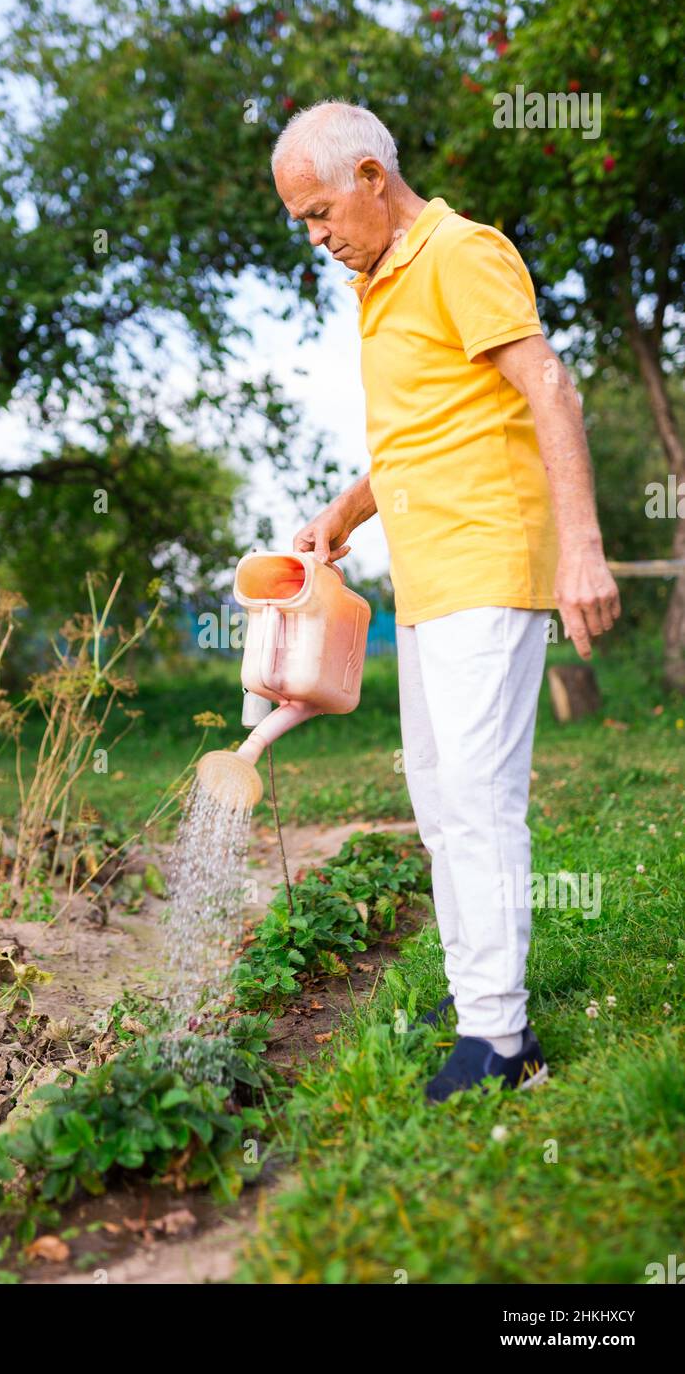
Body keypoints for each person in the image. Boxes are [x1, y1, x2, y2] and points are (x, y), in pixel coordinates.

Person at [271, 100, 620, 1103]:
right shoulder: (379, 284)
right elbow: (418, 435)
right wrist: (342, 516)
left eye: (319, 211)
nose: (317, 235)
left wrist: (582, 547)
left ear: (373, 178)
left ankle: (502, 1044)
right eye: (301, 220)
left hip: (487, 560)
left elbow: (548, 387)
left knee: (475, 800)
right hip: (423, 578)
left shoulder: (461, 253)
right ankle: (478, 998)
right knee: (436, 795)